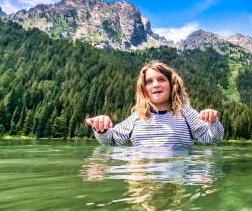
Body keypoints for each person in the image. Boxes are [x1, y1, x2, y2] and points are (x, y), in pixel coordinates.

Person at [85, 61, 224, 147]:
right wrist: (102, 129)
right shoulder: (137, 117)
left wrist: (213, 121)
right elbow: (111, 141)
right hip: (141, 173)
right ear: (144, 89)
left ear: (172, 85)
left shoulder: (186, 113)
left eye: (161, 79)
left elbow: (213, 139)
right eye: (149, 82)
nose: (156, 84)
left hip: (175, 176)